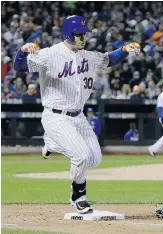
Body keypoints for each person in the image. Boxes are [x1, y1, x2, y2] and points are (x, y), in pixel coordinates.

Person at [13, 15, 141, 214]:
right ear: (67, 34)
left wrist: (124, 49)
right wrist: (22, 51)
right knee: (80, 156)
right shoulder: (50, 54)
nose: (83, 38)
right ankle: (78, 196)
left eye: (84, 34)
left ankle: (52, 143)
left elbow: (109, 59)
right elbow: (19, 67)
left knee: (94, 159)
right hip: (55, 116)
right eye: (78, 34)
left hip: (78, 117)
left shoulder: (88, 56)